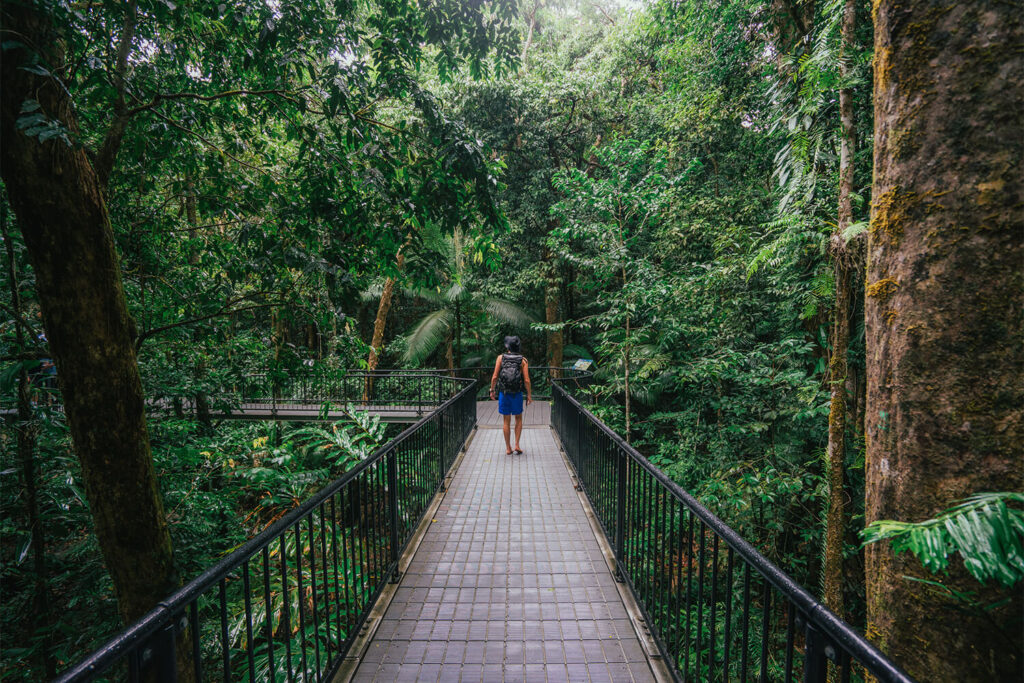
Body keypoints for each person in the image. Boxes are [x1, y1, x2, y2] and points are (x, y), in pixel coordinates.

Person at [489, 335, 532, 455]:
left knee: (506, 421)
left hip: (504, 392)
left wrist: (492, 390)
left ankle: (508, 448)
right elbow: (527, 380)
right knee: (518, 418)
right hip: (517, 393)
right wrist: (529, 395)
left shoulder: (500, 358)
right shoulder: (523, 360)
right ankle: (517, 445)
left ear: (507, 346)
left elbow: (495, 377)